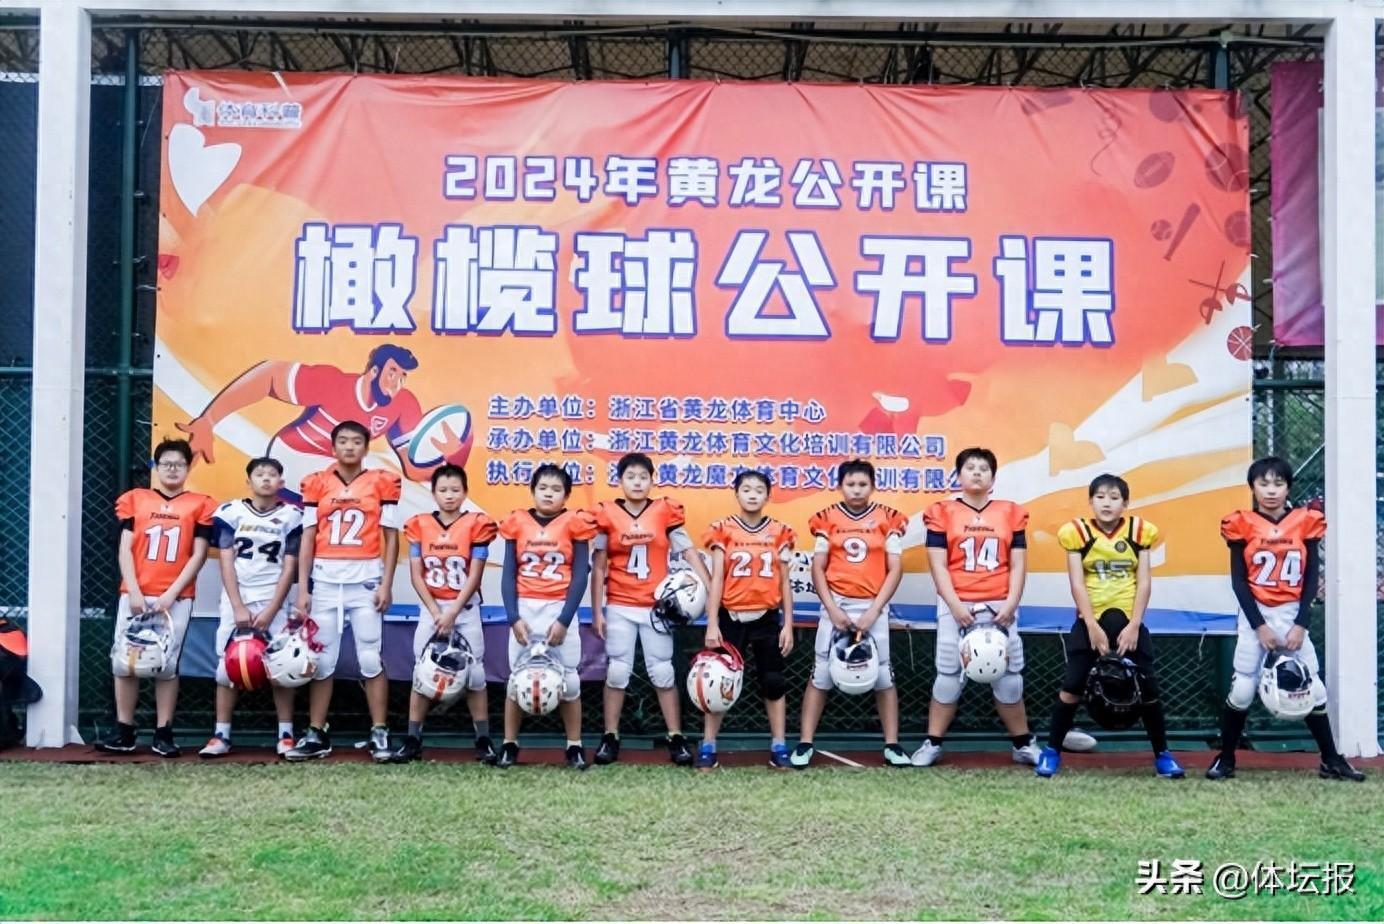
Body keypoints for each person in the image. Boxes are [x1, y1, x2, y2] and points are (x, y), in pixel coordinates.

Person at [1206, 457, 1365, 782]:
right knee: (1243, 689)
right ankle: (1226, 758)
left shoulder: (1305, 521)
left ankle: (1331, 759)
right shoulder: (1242, 524)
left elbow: (1311, 576)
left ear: (1288, 487)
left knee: (1315, 689)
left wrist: (1301, 623)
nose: (1271, 490)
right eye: (1263, 483)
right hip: (1256, 614)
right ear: (1252, 487)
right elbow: (1239, 582)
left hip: (1292, 613)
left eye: (1278, 483)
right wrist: (1259, 625)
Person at [1035, 473, 1183, 778]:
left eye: (1114, 498)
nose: (1107, 503)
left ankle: (1162, 755)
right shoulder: (1078, 533)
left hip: (1128, 620)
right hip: (1091, 620)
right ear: (1090, 501)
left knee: (1149, 688)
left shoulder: (1139, 532)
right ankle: (1051, 752)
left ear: (1125, 503)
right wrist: (1091, 624)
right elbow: (1077, 582)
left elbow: (1144, 582)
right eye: (1100, 497)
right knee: (1073, 685)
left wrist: (1135, 624)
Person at [284, 421, 402, 762]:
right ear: (333, 446)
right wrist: (303, 588)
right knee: (321, 661)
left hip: (365, 579)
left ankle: (379, 731)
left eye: (356, 441)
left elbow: (391, 537)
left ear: (366, 447)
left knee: (370, 657)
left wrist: (387, 583)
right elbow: (308, 538)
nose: (349, 447)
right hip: (325, 579)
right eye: (343, 441)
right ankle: (316, 732)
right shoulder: (317, 482)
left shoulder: (381, 482)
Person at [914, 448, 1039, 768]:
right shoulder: (943, 512)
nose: (977, 473)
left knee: (1009, 676)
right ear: (959, 475)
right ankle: (933, 742)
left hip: (1000, 603)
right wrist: (955, 605)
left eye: (984, 468)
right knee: (948, 674)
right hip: (956, 602)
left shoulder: (1010, 513)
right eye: (970, 467)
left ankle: (1023, 743)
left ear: (993, 478)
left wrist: (1011, 603)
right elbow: (938, 565)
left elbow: (1018, 564)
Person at [95, 439, 216, 757]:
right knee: (125, 661)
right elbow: (125, 548)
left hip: (177, 596)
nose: (172, 469)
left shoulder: (200, 504)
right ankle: (124, 730)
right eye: (166, 464)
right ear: (156, 467)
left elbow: (199, 554)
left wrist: (172, 593)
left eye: (179, 464)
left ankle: (164, 732)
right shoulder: (136, 499)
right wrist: (134, 590)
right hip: (135, 592)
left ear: (188, 468)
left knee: (167, 664)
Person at [590, 452, 711, 766]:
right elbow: (599, 566)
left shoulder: (664, 511)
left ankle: (675, 736)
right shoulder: (606, 514)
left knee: (662, 671)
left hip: (657, 606)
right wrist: (597, 610)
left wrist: (709, 585)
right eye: (631, 477)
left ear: (652, 480)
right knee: (617, 671)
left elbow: (687, 551)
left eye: (643, 477)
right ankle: (610, 735)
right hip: (620, 602)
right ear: (620, 480)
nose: (637, 482)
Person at [791, 459, 910, 769]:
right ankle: (805, 742)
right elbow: (818, 567)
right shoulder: (827, 519)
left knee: (883, 674)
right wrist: (832, 609)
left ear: (873, 486)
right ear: (840, 486)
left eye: (862, 484)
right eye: (851, 484)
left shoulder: (888, 518)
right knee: (821, 673)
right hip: (837, 604)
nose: (857, 490)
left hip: (873, 603)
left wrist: (874, 610)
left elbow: (895, 569)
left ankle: (892, 744)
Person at [390, 464, 498, 764]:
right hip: (432, 609)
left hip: (465, 608)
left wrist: (451, 612)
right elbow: (416, 575)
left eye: (455, 490)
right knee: (421, 672)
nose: (449, 495)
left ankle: (483, 739)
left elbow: (474, 575)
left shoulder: (476, 524)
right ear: (433, 492)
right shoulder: (420, 525)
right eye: (443, 490)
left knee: (476, 675)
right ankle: (413, 739)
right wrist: (436, 610)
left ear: (465, 492)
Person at [199, 457, 303, 758]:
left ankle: (286, 734)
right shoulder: (231, 513)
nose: (266, 479)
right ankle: (221, 734)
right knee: (226, 668)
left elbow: (290, 567)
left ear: (281, 482)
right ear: (248, 481)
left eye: (272, 474)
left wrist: (272, 608)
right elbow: (226, 563)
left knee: (282, 666)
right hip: (238, 597)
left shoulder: (291, 516)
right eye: (260, 474)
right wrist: (238, 606)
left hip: (273, 597)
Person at [497, 464, 596, 769]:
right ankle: (510, 744)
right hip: (525, 607)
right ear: (533, 490)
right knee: (516, 680)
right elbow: (508, 574)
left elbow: (580, 575)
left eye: (556, 489)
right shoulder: (518, 522)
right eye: (543, 488)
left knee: (570, 681)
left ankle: (574, 745)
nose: (548, 494)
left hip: (558, 606)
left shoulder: (574, 522)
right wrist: (513, 617)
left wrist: (564, 619)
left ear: (566, 495)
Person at [698, 471, 797, 771]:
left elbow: (784, 582)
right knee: (717, 680)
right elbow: (717, 579)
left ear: (768, 495)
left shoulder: (780, 531)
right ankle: (708, 744)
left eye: (759, 490)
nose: (752, 495)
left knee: (773, 681)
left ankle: (779, 745)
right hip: (731, 616)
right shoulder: (723, 530)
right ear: (736, 494)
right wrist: (712, 623)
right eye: (746, 489)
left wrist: (788, 624)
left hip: (766, 616)